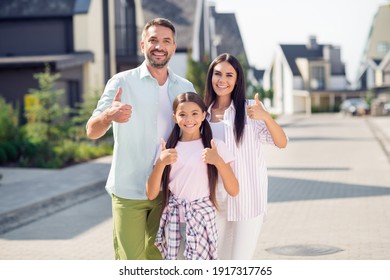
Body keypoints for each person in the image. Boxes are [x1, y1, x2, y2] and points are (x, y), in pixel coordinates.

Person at [86, 18, 196, 260]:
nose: (159, 46)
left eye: (166, 41)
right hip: (128, 190)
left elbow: (196, 135)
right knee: (131, 263)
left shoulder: (185, 87)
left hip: (168, 191)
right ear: (142, 44)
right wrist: (107, 115)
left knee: (159, 261)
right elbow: (91, 131)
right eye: (153, 40)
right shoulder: (122, 82)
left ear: (174, 47)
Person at [204, 53, 288, 259]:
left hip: (247, 200)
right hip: (213, 200)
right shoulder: (201, 114)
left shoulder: (250, 110)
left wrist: (266, 117)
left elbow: (281, 142)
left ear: (237, 80)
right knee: (217, 260)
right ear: (210, 77)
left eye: (229, 75)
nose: (222, 80)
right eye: (217, 74)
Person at [146, 92, 239, 260]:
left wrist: (218, 161)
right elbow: (151, 193)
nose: (189, 119)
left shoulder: (216, 146)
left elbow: (234, 190)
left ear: (204, 115)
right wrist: (160, 163)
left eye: (195, 113)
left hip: (203, 221)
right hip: (175, 223)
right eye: (183, 114)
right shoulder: (166, 149)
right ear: (175, 117)